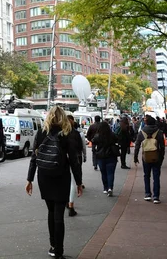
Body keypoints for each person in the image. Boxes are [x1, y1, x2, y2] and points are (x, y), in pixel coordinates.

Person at [26, 106, 83, 259]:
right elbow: (73, 160)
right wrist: (79, 182)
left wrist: (29, 179)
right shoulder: (66, 133)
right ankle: (59, 251)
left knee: (51, 212)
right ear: (63, 117)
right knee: (59, 216)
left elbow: (34, 156)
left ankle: (52, 246)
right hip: (61, 176)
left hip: (44, 176)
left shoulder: (41, 132)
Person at [134, 115, 166, 204]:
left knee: (146, 175)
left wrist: (135, 157)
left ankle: (147, 194)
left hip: (146, 157)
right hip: (156, 157)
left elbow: (137, 145)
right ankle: (156, 196)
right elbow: (162, 147)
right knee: (156, 176)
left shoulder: (142, 132)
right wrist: (162, 157)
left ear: (146, 123)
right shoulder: (159, 132)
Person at [92, 121, 119, 197]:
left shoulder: (98, 136)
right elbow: (117, 140)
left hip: (101, 157)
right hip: (111, 156)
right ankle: (110, 188)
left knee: (103, 173)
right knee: (110, 173)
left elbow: (93, 141)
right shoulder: (112, 135)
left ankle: (105, 188)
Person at [67, 114, 87, 217]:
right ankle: (71, 205)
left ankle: (67, 202)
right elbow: (81, 146)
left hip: (62, 161)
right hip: (75, 158)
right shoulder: (77, 134)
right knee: (72, 183)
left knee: (65, 182)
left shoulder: (60, 133)